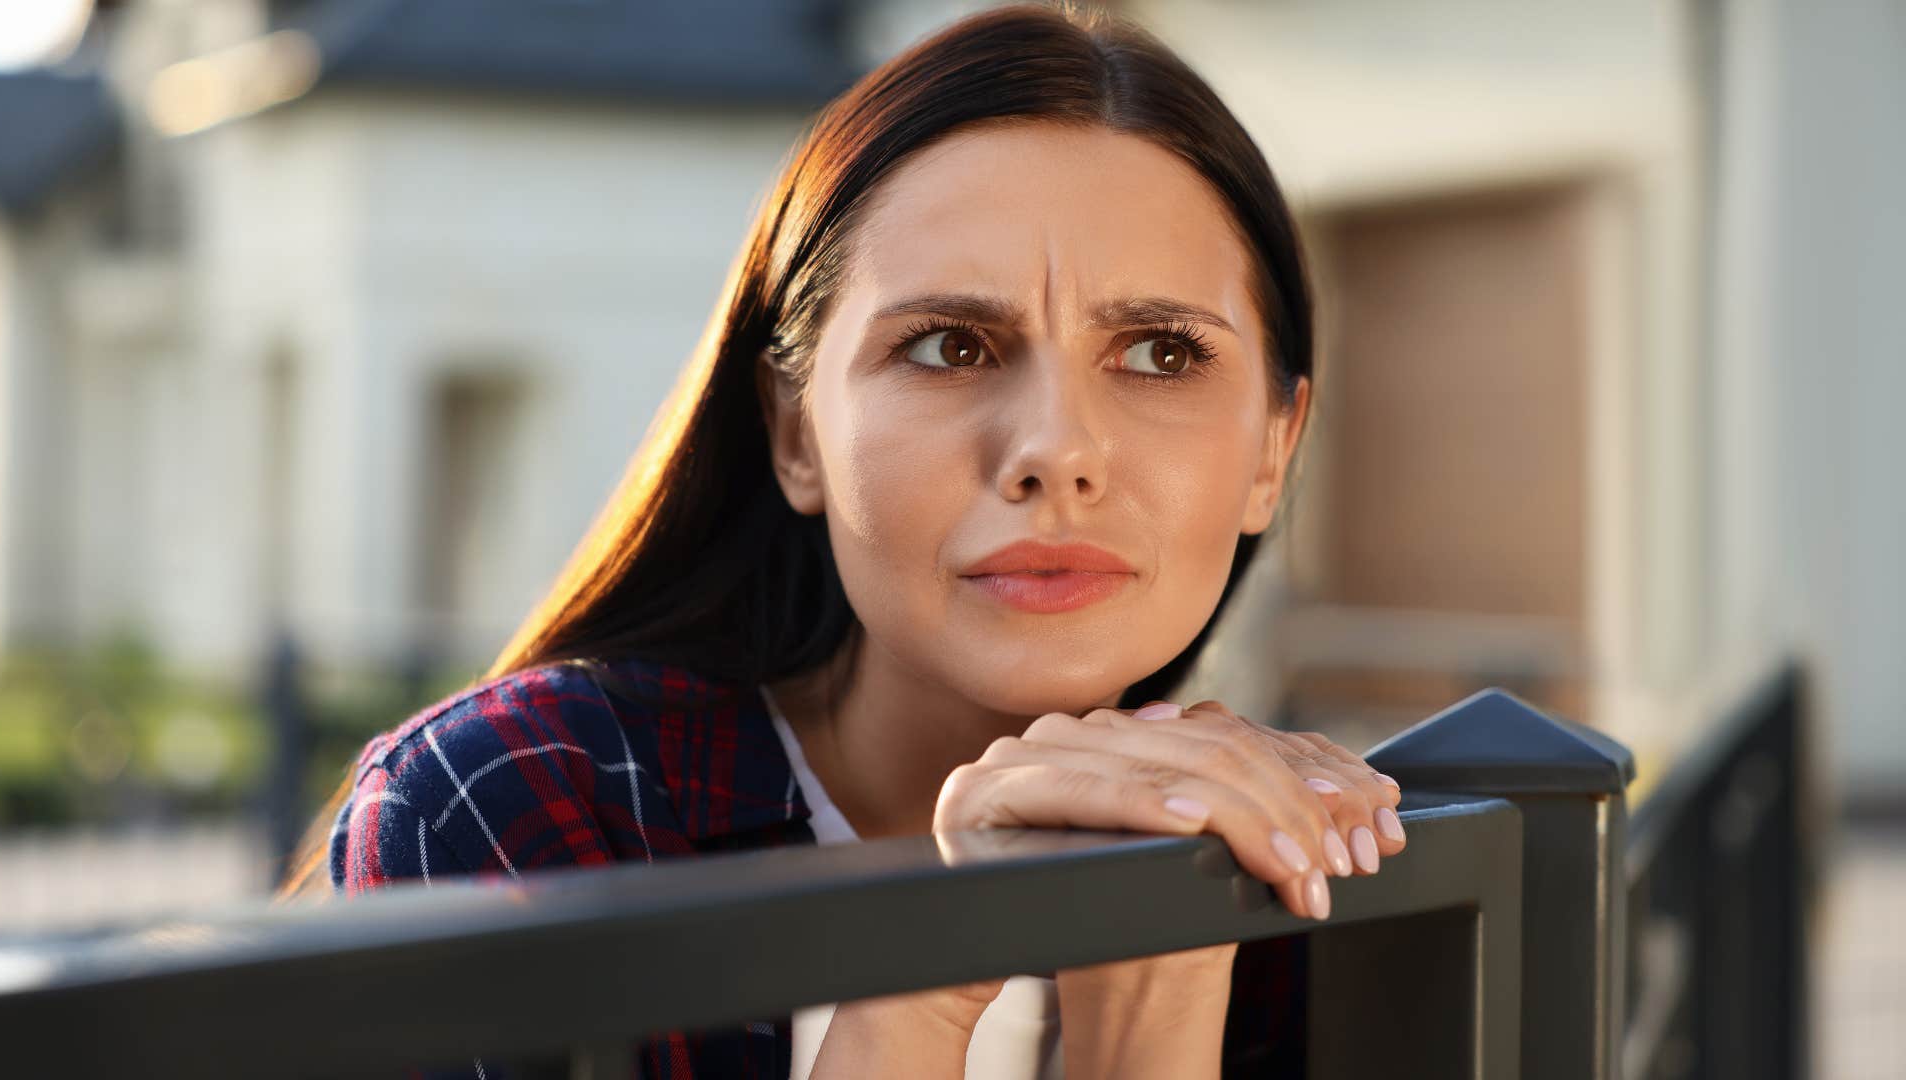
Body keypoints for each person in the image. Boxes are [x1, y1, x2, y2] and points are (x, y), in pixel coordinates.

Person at [273, 3, 1409, 1077]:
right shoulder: (528, 814)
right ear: (794, 430)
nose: (1057, 452)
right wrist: (920, 972)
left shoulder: (1301, 876)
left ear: (1273, 448)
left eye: (1161, 353)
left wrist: (1148, 1014)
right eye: (950, 348)